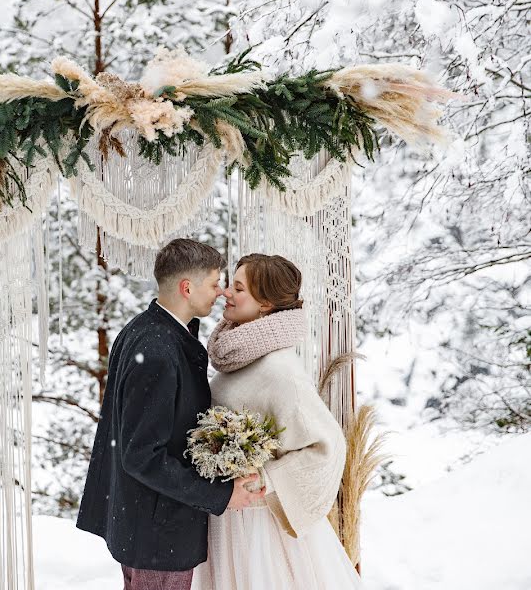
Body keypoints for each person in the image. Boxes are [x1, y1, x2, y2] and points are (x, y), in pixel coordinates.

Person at [76, 239, 265, 590]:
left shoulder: (143, 330)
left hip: (142, 525)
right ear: (187, 287)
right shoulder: (159, 350)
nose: (221, 292)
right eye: (214, 283)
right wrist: (221, 495)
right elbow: (142, 456)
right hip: (158, 533)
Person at [192, 253, 364, 590]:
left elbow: (327, 446)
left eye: (238, 288)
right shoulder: (239, 360)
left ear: (266, 305)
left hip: (261, 530)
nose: (226, 293)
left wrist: (265, 479)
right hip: (226, 518)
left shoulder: (280, 370)